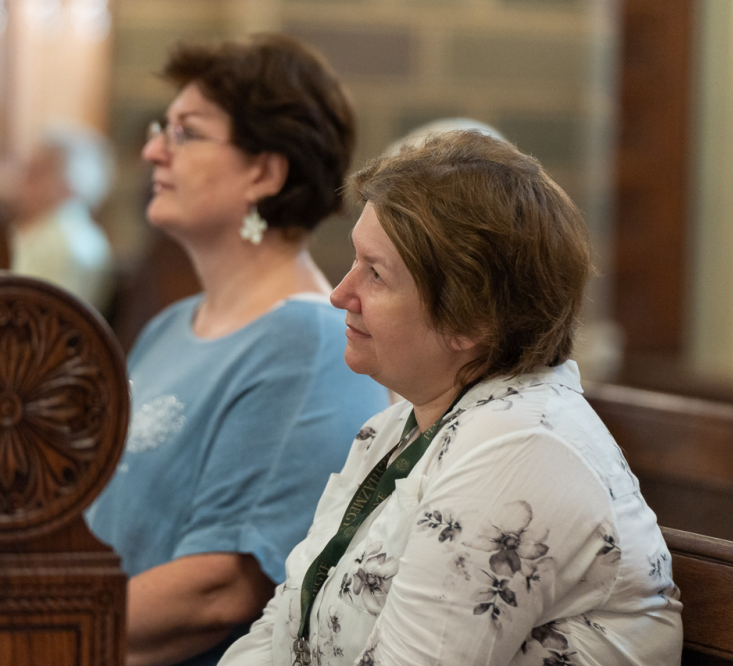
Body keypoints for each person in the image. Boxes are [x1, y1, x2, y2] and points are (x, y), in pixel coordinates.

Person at [219, 130, 683, 666]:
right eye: (354, 262)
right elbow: (283, 624)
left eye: (375, 274)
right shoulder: (398, 427)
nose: (340, 294)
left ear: (469, 318)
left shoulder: (522, 449)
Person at [83, 35, 389, 666]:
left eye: (186, 133)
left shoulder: (309, 344)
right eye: (161, 129)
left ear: (264, 172)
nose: (153, 151)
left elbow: (217, 590)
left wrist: (24, 636)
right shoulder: (170, 325)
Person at [11, 125, 115, 312]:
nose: (20, 181)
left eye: (35, 172)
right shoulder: (40, 230)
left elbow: (48, 316)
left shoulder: (66, 242)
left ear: (69, 183)